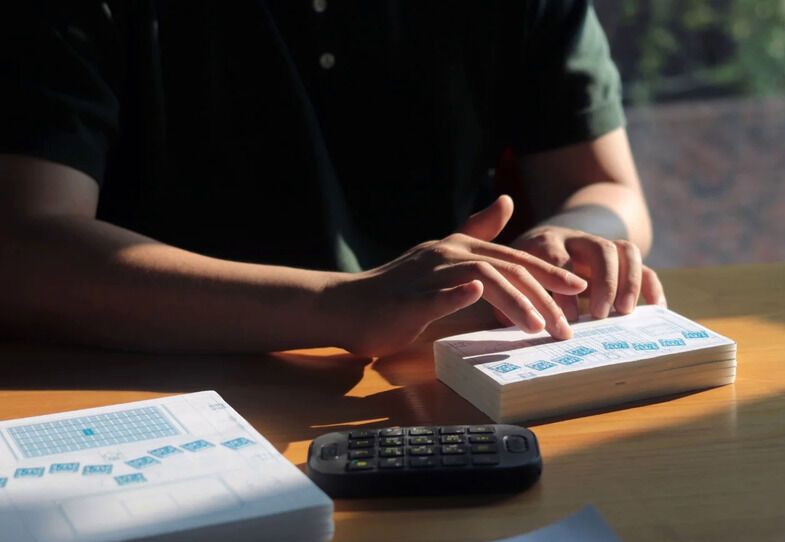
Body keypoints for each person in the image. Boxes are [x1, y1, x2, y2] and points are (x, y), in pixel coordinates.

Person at [0, 0, 666, 356]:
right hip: (168, 385)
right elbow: (24, 253)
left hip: (436, 382)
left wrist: (566, 238)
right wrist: (340, 306)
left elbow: (607, 189)